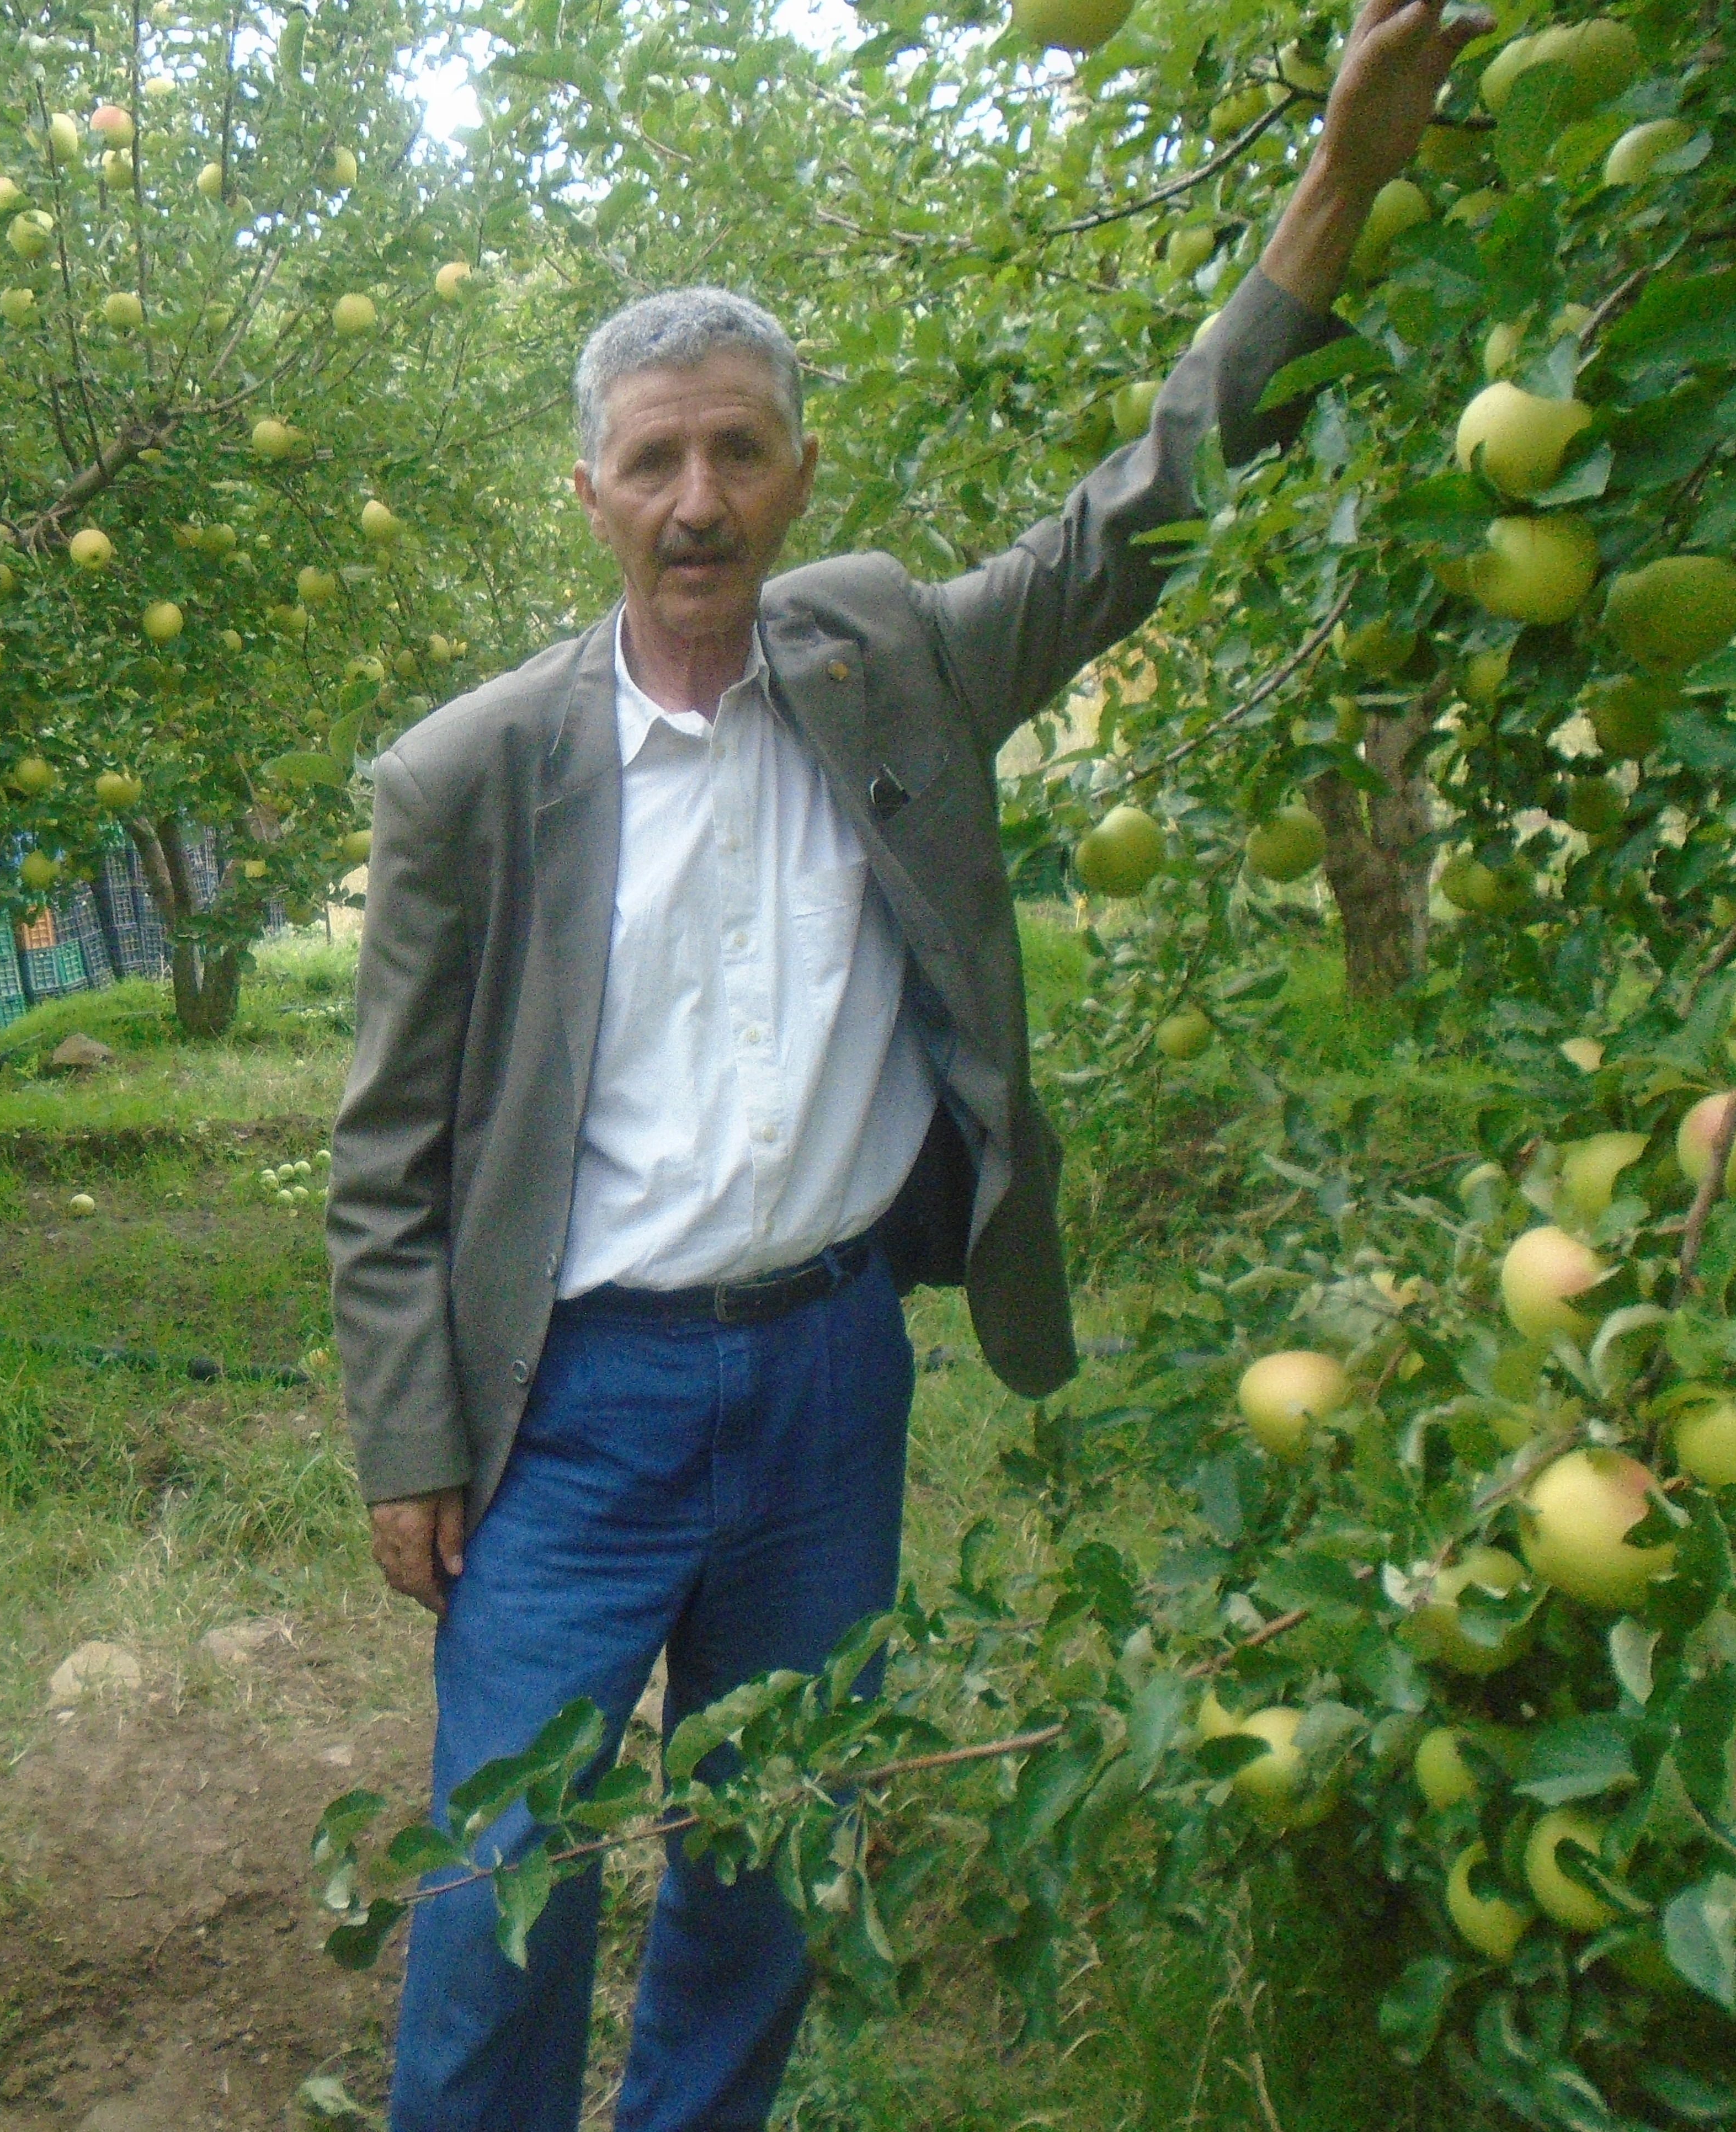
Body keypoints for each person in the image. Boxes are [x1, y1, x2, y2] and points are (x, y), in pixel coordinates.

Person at [323, 1, 1488, 2124]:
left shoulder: (891, 662)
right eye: (654, 462)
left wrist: (1343, 178)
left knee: (771, 1850)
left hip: (829, 1375)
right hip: (572, 1404)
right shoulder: (469, 777)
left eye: (738, 451)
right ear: (590, 494)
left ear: (798, 471)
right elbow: (388, 1151)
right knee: (505, 1876)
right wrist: (412, 1437)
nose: (698, 501)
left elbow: (1145, 512)